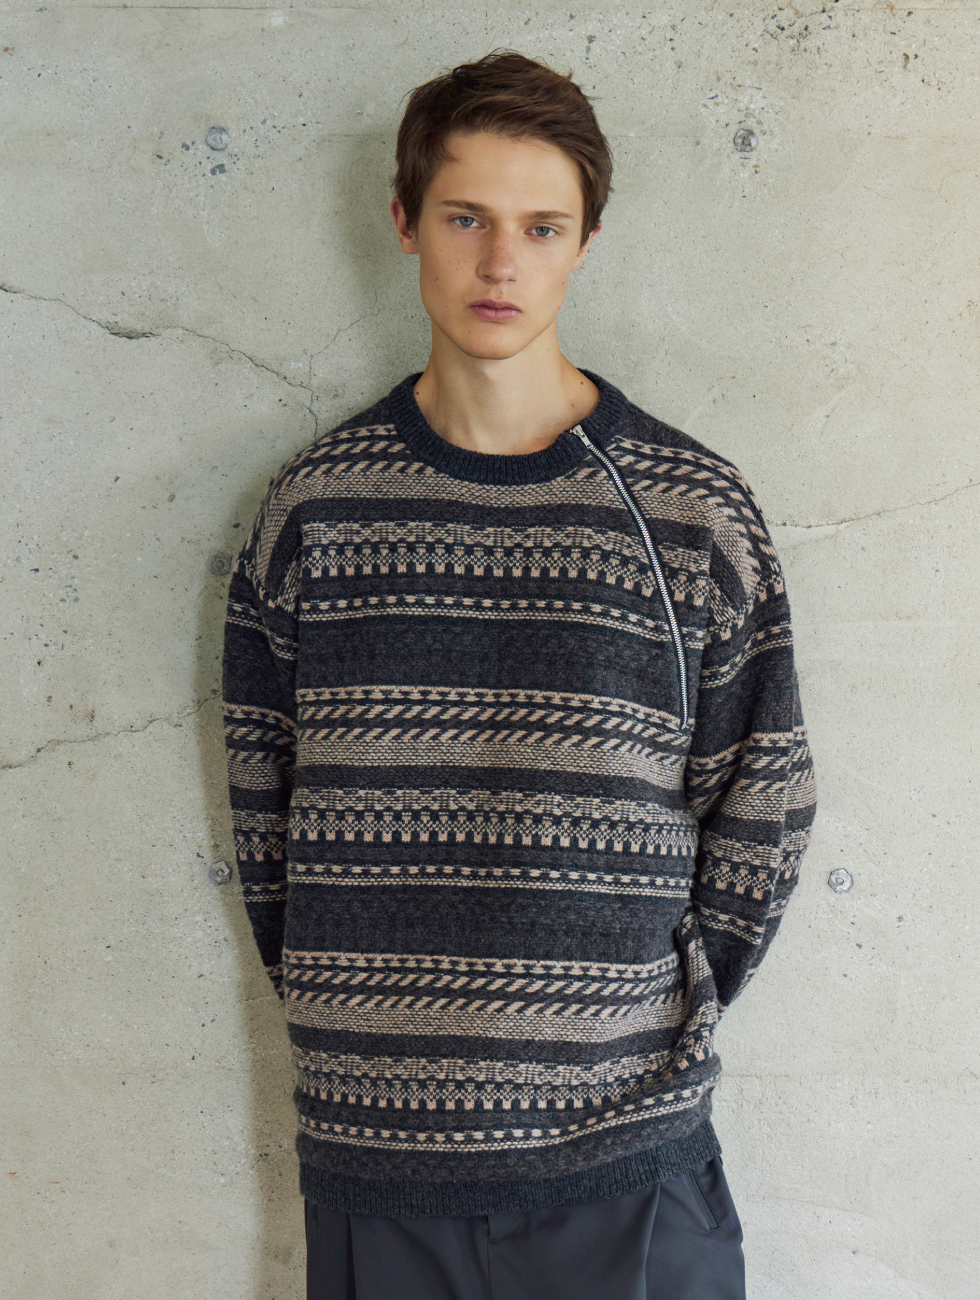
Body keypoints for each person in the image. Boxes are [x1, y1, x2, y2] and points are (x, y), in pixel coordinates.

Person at [223, 50, 816, 1300]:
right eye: (466, 219)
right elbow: (264, 815)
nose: (502, 263)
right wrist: (361, 1027)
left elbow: (762, 800)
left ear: (586, 242)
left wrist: (627, 1020)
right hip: (379, 1157)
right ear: (404, 222)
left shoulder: (690, 515)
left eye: (541, 227)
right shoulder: (316, 511)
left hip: (626, 1157)